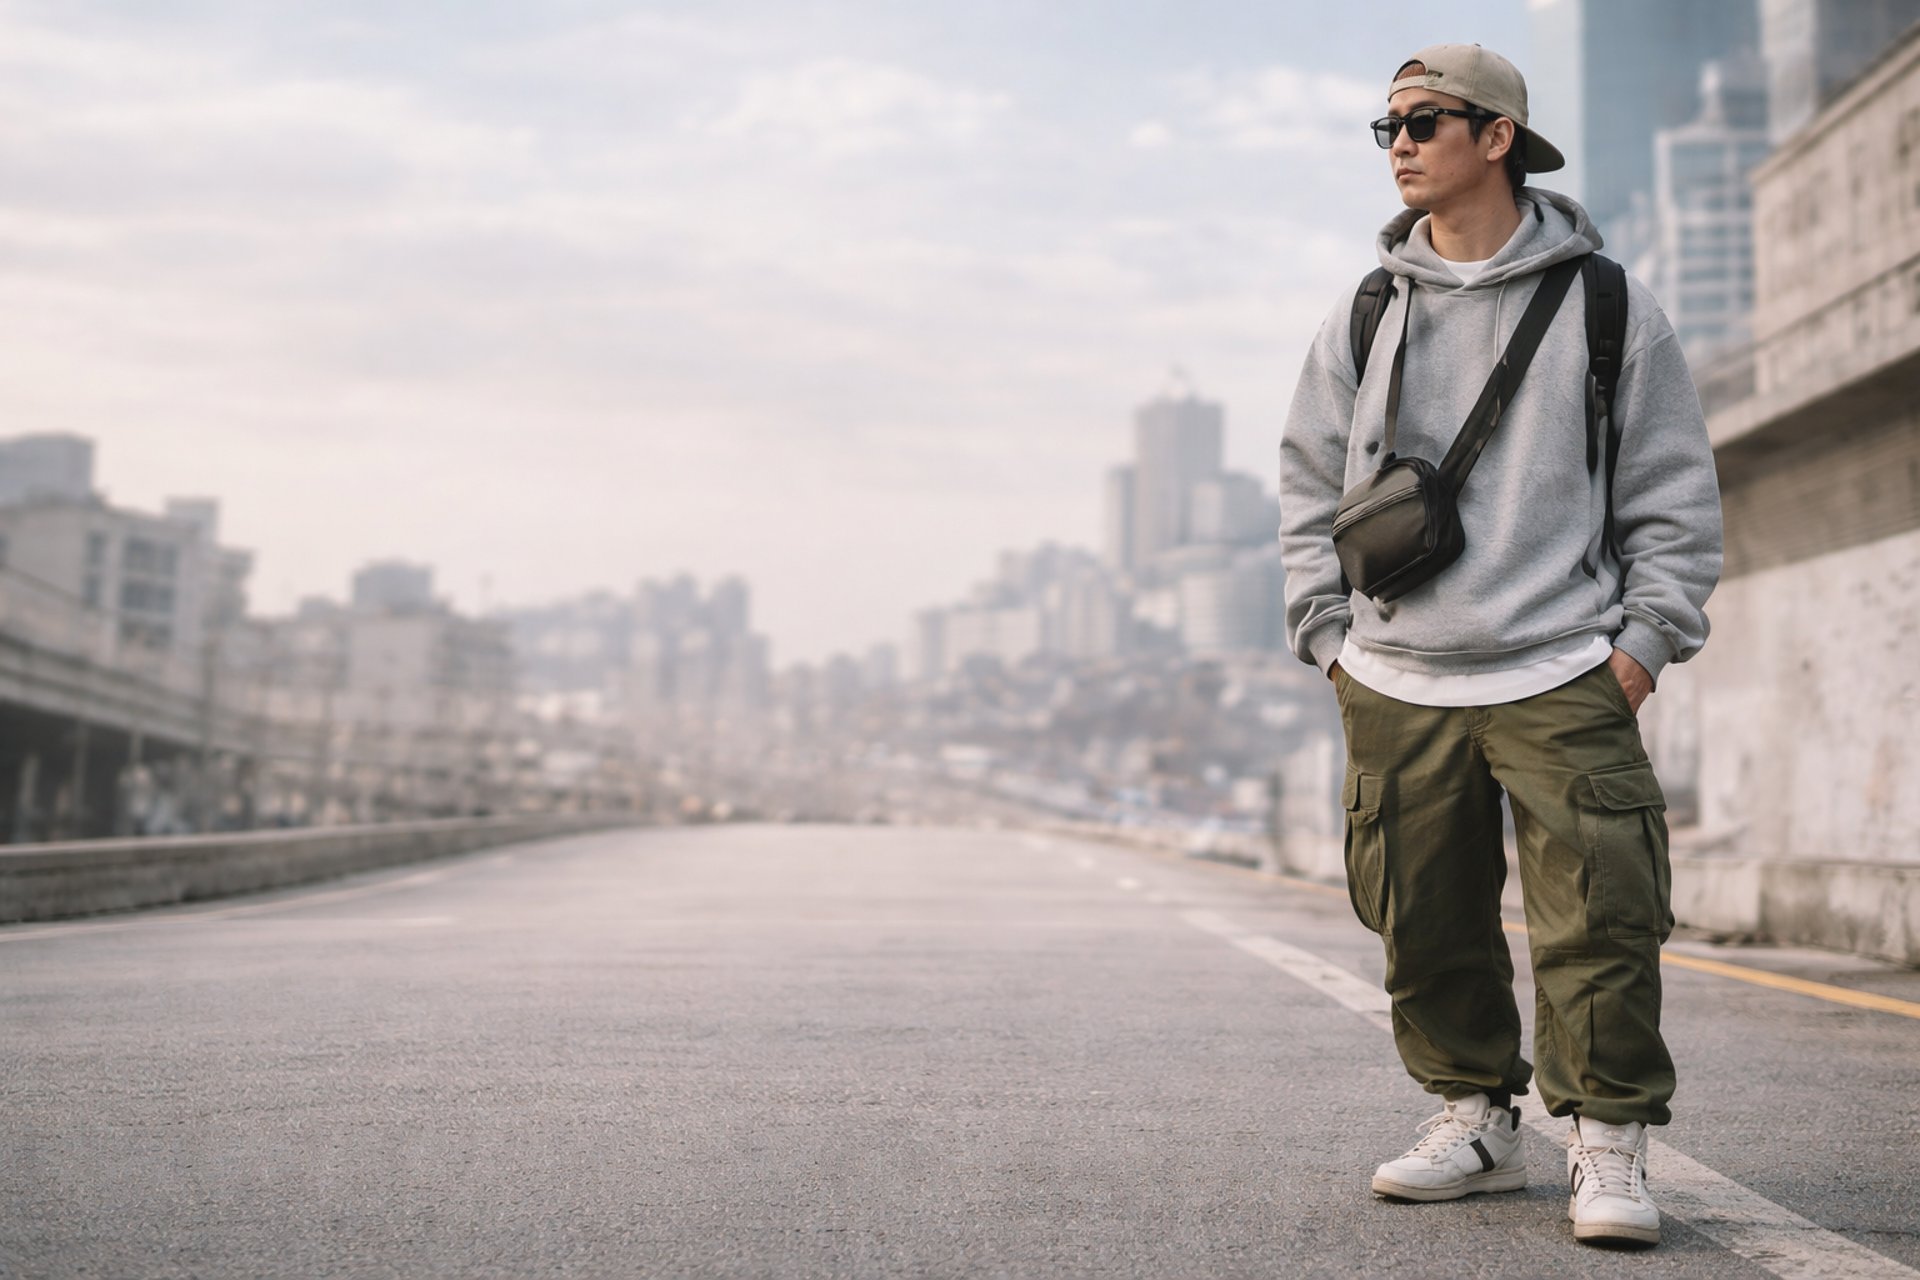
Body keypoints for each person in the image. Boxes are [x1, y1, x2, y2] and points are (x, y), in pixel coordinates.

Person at [1276, 43, 1722, 1248]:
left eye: (1426, 121)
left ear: (1499, 137)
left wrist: (1639, 647)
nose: (1400, 143)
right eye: (1389, 126)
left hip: (1564, 663)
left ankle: (1612, 1138)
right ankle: (1472, 1116)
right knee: (1421, 915)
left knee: (1603, 917)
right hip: (1396, 674)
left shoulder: (1609, 304)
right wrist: (1330, 639)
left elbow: (1673, 499)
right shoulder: (1367, 309)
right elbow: (1310, 482)